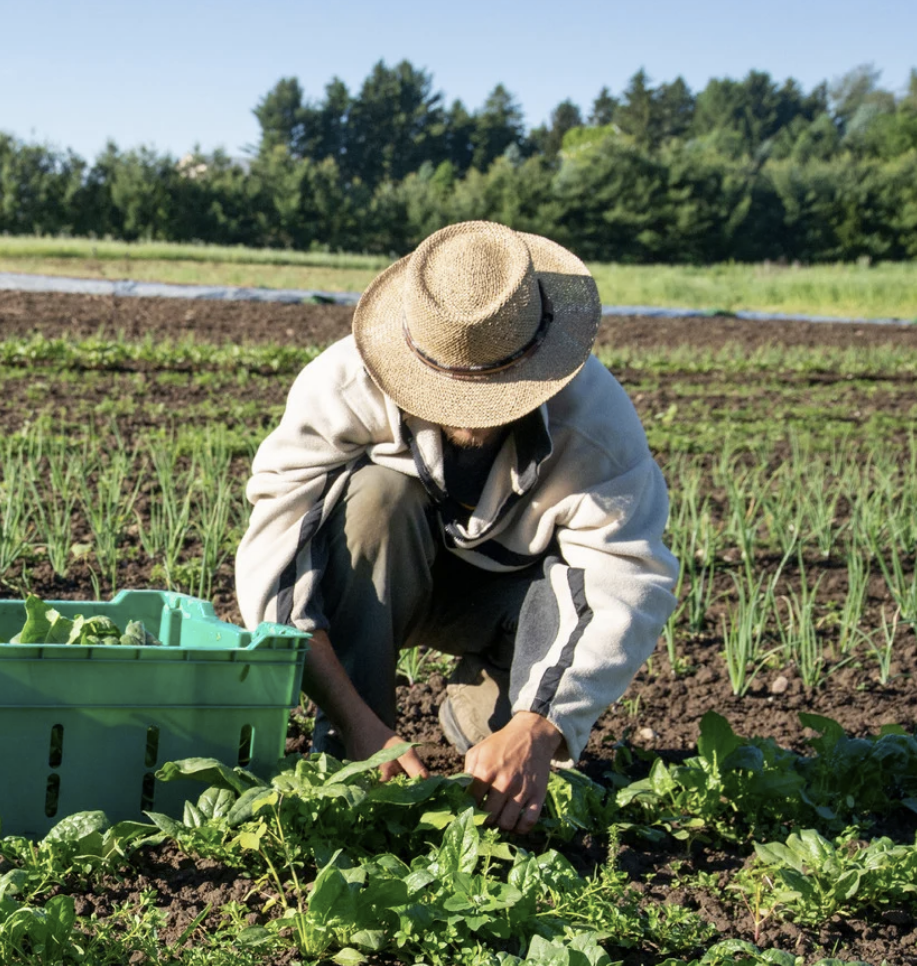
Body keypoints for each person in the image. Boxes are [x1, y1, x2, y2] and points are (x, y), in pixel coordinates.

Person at [235, 220, 677, 835]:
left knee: (513, 772)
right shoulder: (342, 385)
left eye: (494, 392)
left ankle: (485, 712)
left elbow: (626, 579)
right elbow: (276, 566)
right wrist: (363, 727)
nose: (470, 414)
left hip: (507, 604)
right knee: (374, 498)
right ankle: (352, 751)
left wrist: (539, 728)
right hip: (388, 578)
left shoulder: (595, 425)